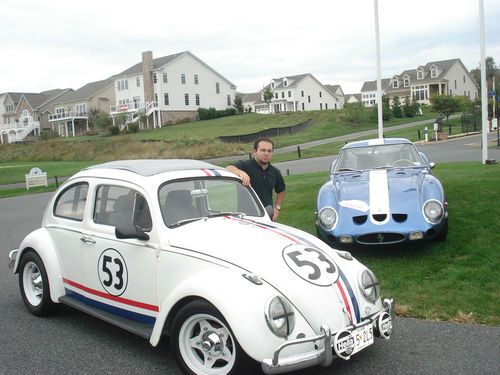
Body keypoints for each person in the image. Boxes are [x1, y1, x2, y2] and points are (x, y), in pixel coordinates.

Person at [227, 137, 285, 221]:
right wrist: (241, 173)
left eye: (269, 151)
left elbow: (281, 190)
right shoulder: (245, 165)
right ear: (254, 151)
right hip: (246, 216)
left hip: (267, 216)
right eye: (263, 150)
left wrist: (277, 208)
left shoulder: (275, 172)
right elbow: (229, 168)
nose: (266, 153)